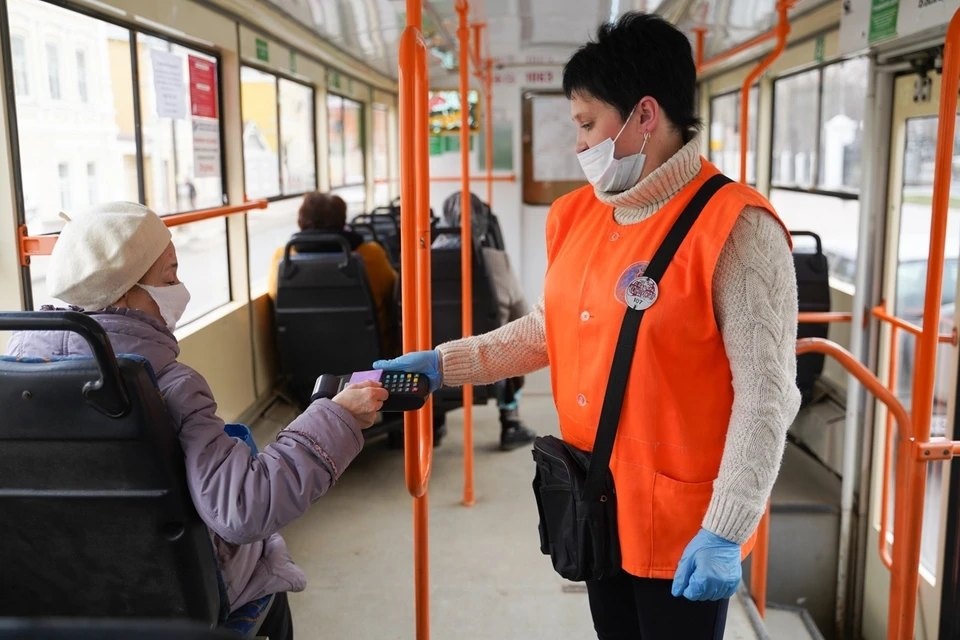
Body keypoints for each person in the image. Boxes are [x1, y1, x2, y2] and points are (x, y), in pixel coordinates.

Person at [375, 12, 801, 639]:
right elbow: (549, 331)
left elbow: (766, 396)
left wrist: (727, 526)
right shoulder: (575, 216)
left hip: (688, 527)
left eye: (586, 124)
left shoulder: (736, 229)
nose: (579, 145)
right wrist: (444, 364)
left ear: (645, 115)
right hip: (595, 502)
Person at [7, 201, 388, 640]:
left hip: (46, 598)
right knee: (269, 567)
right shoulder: (167, 386)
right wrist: (335, 417)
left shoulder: (12, 375)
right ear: (123, 294)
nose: (179, 288)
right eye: (169, 276)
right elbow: (243, 508)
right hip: (171, 600)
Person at [432, 191, 536, 450]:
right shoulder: (495, 260)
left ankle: (434, 422)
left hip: (433, 360)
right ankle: (510, 420)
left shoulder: (420, 259)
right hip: (486, 359)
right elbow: (520, 314)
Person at [268, 192, 399, 356]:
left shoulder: (284, 258)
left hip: (304, 357)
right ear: (342, 221)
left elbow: (276, 296)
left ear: (300, 221)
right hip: (368, 355)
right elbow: (393, 289)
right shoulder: (370, 254)